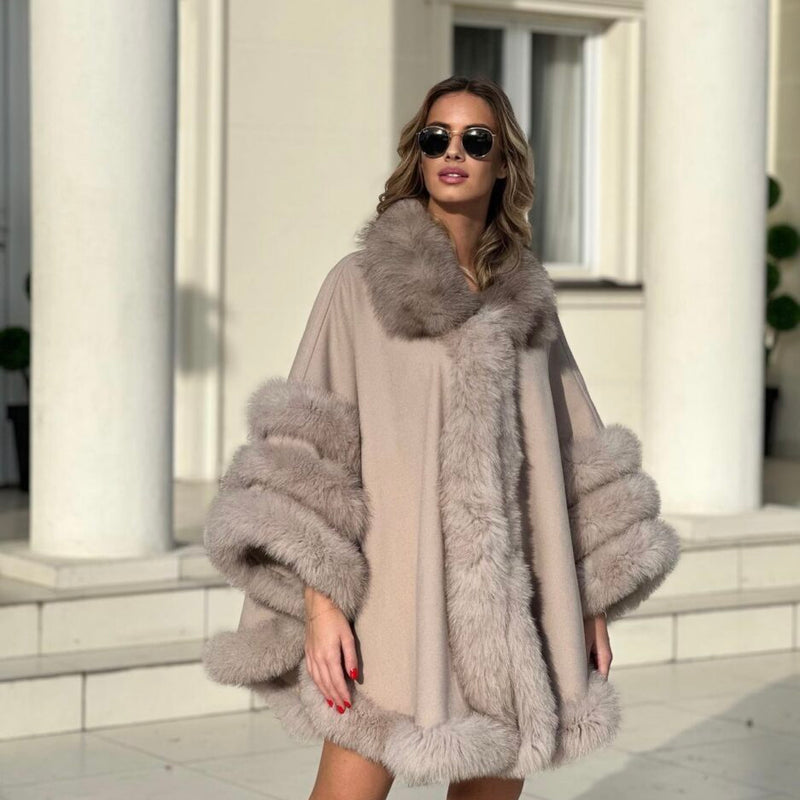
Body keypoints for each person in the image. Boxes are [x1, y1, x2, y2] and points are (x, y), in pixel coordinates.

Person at [202, 76, 681, 800]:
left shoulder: (525, 298)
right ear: (418, 156)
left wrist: (586, 601)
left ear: (502, 164)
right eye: (437, 138)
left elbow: (573, 454)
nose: (453, 151)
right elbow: (302, 455)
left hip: (512, 611)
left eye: (474, 140)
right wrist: (320, 604)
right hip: (395, 594)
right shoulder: (359, 285)